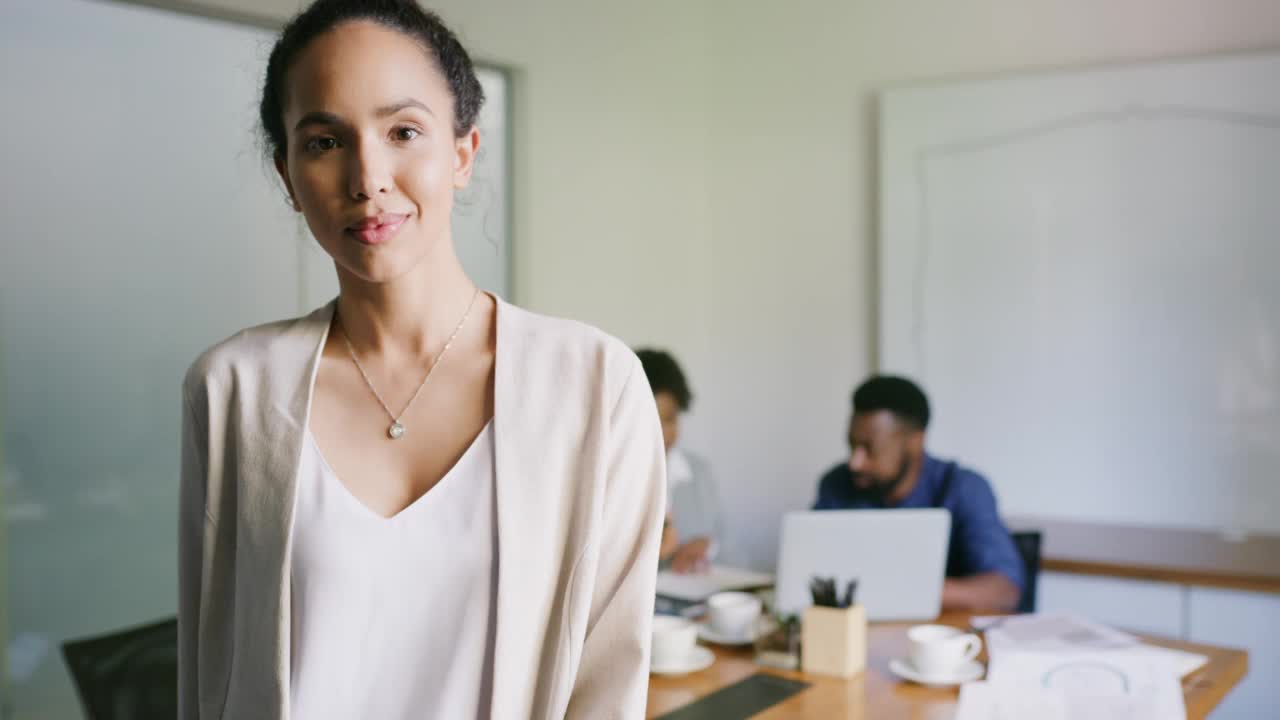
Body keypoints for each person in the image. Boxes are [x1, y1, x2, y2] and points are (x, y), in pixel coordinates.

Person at [177, 2, 665, 718]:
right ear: (287, 175)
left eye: (404, 131)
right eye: (323, 142)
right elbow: (211, 671)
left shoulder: (595, 384)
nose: (368, 177)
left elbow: (608, 684)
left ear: (464, 152)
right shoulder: (233, 390)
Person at [812, 376, 1024, 612]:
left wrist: (891, 589)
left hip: (939, 640)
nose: (856, 463)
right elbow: (808, 573)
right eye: (852, 446)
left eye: (870, 449)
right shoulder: (836, 484)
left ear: (915, 441)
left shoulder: (964, 488)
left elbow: (1003, 591)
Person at [636, 349, 724, 574]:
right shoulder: (612, 479)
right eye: (652, 420)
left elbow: (730, 546)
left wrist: (708, 547)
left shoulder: (699, 472)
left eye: (670, 419)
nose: (663, 433)